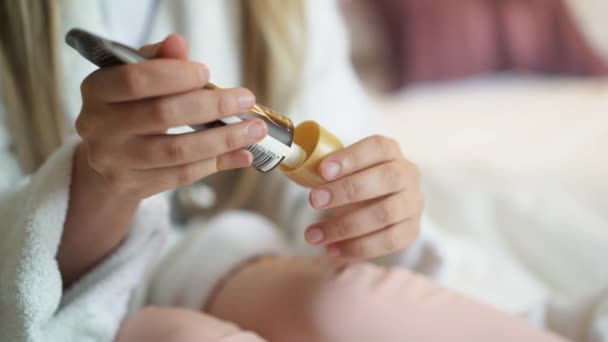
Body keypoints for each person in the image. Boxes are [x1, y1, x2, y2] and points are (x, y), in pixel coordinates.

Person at [0, 1, 565, 341]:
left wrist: (369, 204)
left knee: (348, 305)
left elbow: (324, 151)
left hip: (235, 255)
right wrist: (101, 184)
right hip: (85, 295)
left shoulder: (285, 12)